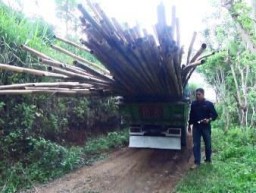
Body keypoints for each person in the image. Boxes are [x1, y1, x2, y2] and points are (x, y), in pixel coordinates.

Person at [188, 88, 218, 169]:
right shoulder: (193, 104)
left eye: (199, 94)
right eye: (196, 94)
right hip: (196, 127)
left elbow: (215, 115)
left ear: (203, 94)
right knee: (196, 144)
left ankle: (208, 159)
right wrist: (189, 125)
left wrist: (208, 119)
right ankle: (197, 162)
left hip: (206, 127)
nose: (197, 96)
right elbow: (191, 115)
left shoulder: (209, 104)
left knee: (207, 143)